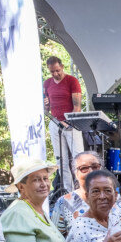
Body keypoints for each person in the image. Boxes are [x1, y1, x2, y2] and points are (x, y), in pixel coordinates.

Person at [43, 56, 83, 192]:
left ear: (62, 67)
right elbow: (46, 108)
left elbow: (77, 106)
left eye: (57, 70)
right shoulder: (47, 83)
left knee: (78, 157)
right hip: (55, 122)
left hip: (71, 122)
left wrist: (69, 122)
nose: (55, 74)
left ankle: (83, 188)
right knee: (61, 160)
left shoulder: (72, 81)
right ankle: (68, 190)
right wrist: (45, 105)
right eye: (52, 72)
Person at [50, 151, 103, 238]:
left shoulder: (116, 200)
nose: (90, 171)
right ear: (76, 174)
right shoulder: (64, 203)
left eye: (95, 167)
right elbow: (55, 240)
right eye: (84, 168)